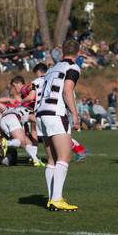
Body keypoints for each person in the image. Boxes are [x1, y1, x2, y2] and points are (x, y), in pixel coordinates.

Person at [36, 38, 80, 211]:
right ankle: (56, 198)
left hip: (41, 113)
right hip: (55, 114)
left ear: (62, 51)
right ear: (79, 52)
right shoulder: (73, 67)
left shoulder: (52, 68)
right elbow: (67, 89)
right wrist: (74, 114)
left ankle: (51, 198)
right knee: (65, 157)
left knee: (52, 159)